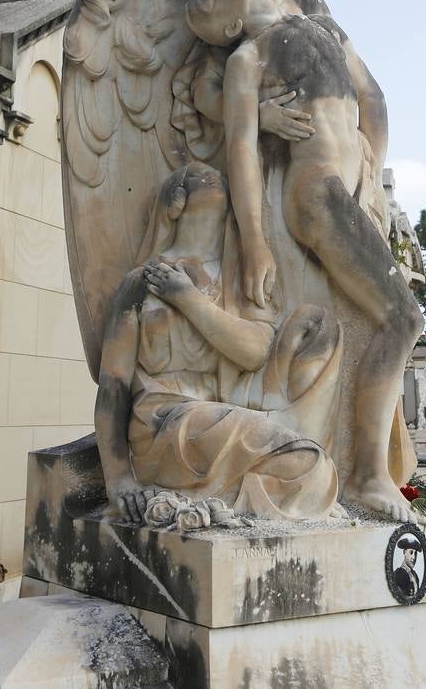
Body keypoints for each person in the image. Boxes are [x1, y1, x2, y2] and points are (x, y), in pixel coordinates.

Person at [185, 0, 425, 524]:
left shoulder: (323, 28)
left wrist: (372, 182)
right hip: (312, 194)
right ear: (232, 26)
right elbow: (242, 150)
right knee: (404, 320)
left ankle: (368, 471)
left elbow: (375, 102)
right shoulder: (249, 58)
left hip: (344, 190)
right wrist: (255, 243)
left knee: (401, 321)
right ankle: (368, 475)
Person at [96, 162, 344, 524]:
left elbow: (255, 352)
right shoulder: (140, 282)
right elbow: (112, 387)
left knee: (319, 326)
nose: (211, 175)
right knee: (309, 466)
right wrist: (119, 480)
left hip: (224, 407)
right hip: (164, 423)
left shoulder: (236, 280)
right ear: (174, 200)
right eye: (195, 175)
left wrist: (187, 299)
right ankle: (237, 500)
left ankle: (235, 496)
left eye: (218, 176)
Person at [192, 0, 389, 235]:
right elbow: (203, 90)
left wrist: (375, 177)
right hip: (274, 170)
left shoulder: (305, 3)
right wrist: (256, 116)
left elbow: (370, 94)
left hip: (341, 162)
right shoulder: (226, 16)